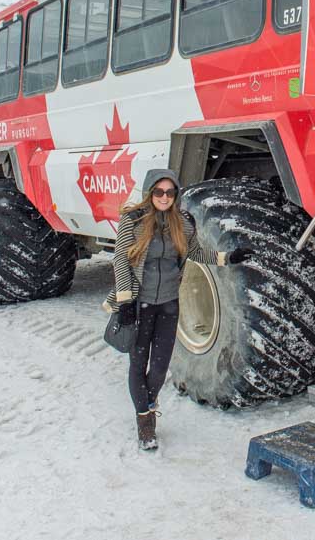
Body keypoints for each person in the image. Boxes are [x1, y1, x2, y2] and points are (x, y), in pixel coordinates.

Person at [104, 169, 251, 452]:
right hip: (139, 304)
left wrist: (228, 257)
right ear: (149, 193)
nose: (164, 197)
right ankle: (145, 422)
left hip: (169, 304)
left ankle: (148, 401)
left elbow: (196, 253)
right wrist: (124, 302)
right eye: (159, 192)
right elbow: (121, 261)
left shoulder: (182, 223)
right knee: (138, 362)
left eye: (170, 192)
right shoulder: (132, 221)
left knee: (159, 367)